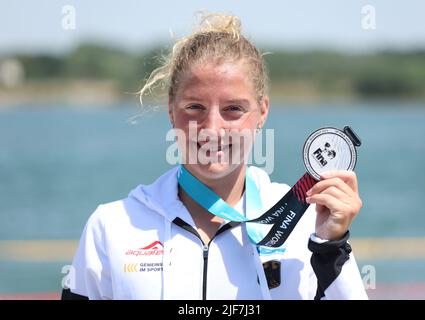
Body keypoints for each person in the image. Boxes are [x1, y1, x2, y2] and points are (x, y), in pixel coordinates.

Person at [62, 13, 367, 300]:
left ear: (262, 112)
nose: (212, 129)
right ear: (171, 110)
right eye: (195, 107)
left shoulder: (306, 224)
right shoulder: (111, 226)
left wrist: (331, 248)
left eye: (233, 109)